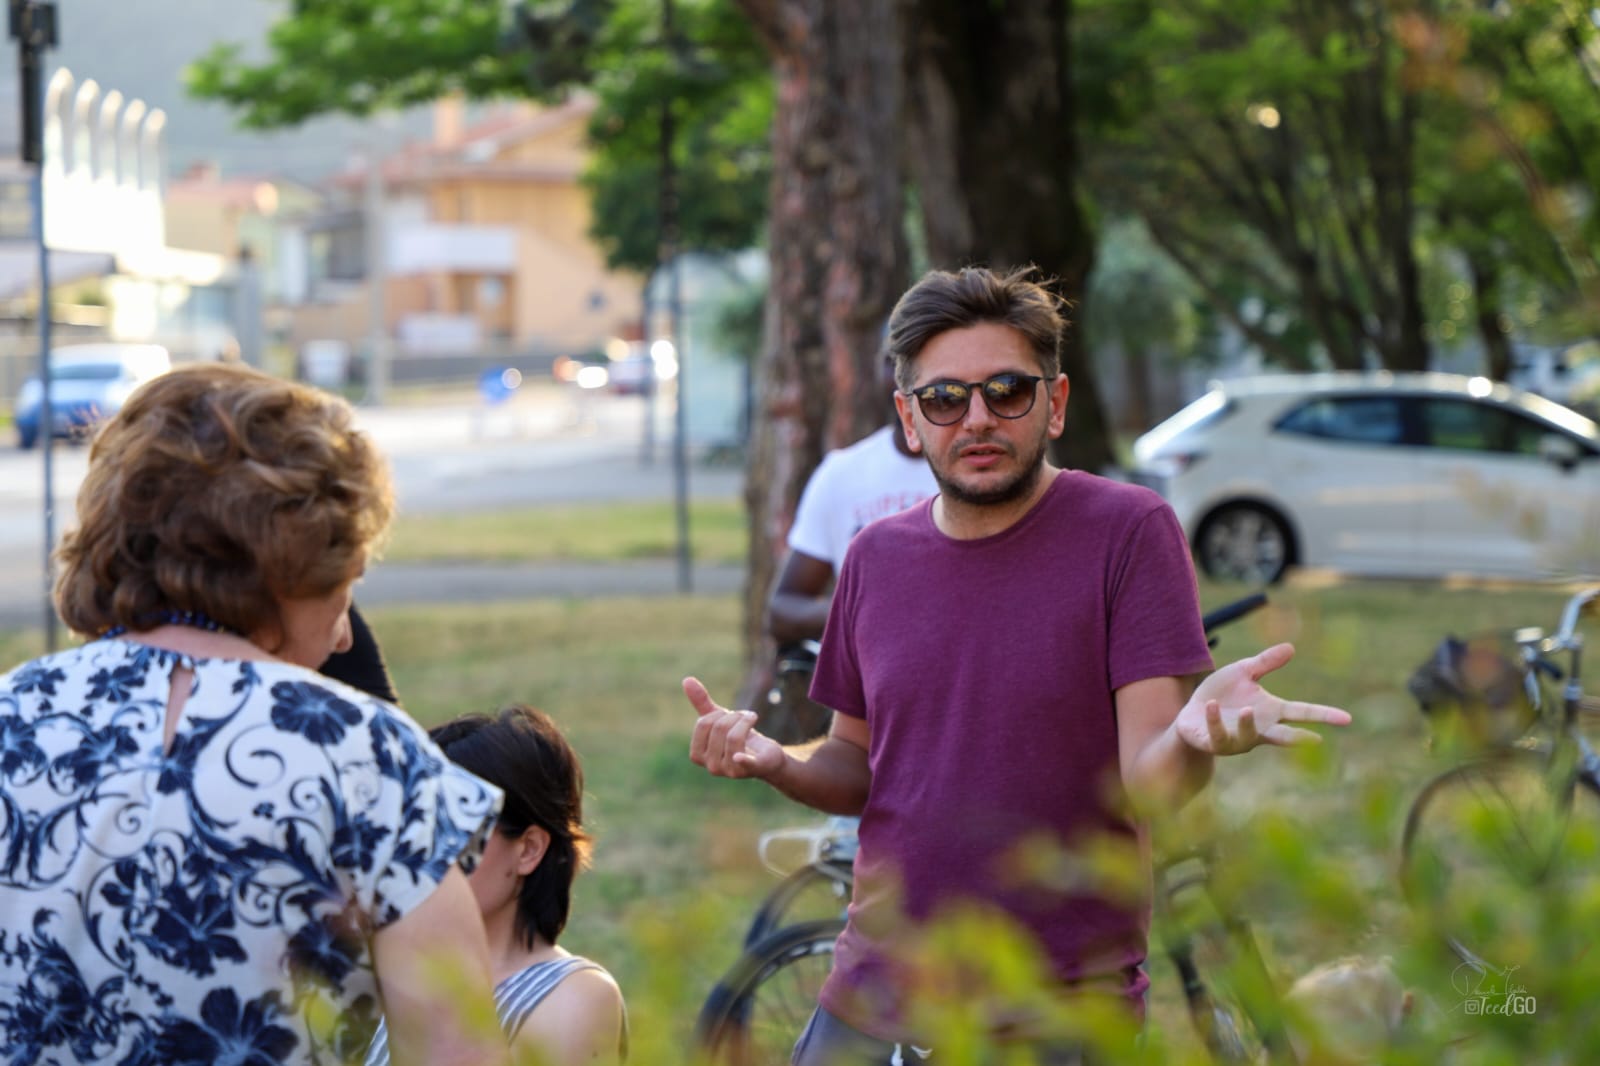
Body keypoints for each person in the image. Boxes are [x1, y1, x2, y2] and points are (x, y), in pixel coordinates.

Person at [686, 267, 1351, 1064]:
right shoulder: (873, 559)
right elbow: (856, 766)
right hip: (873, 992)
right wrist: (773, 761)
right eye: (945, 398)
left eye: (1008, 390)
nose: (977, 419)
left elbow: (1149, 779)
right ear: (909, 418)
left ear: (1056, 402)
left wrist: (1198, 737)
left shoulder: (1128, 532)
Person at [0, 363, 509, 1066]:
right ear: (293, 563)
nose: (344, 636)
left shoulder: (11, 720)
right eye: (347, 581)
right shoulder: (371, 757)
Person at [364, 705, 627, 1066]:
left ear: (529, 850)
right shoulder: (400, 974)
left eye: (451, 835)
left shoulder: (575, 997)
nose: (423, 857)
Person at [767, 353, 938, 646]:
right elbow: (783, 609)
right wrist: (867, 613)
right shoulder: (842, 473)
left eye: (923, 361)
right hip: (867, 685)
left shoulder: (981, 474)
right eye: (893, 361)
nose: (904, 375)